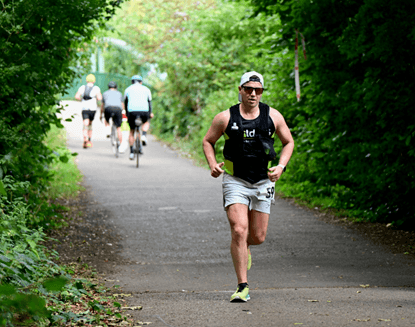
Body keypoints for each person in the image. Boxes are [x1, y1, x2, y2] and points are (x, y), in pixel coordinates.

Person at [202, 71, 294, 302]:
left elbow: (288, 142)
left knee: (258, 236)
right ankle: (242, 286)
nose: (253, 94)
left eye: (258, 90)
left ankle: (246, 247)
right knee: (239, 229)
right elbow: (208, 141)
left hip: (263, 181)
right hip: (235, 180)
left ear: (262, 92)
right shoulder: (225, 118)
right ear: (241, 90)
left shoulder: (273, 116)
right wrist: (213, 164)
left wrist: (281, 166)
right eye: (248, 89)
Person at [124, 75, 153, 160]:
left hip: (132, 112)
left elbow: (126, 103)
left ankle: (132, 152)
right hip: (144, 111)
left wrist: (127, 113)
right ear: (141, 82)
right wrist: (150, 113)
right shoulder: (147, 89)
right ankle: (143, 135)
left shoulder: (128, 89)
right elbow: (149, 103)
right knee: (146, 122)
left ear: (132, 82)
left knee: (132, 131)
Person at [75, 74, 102, 148]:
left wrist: (82, 99)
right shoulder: (96, 88)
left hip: (84, 108)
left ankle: (85, 139)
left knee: (85, 123)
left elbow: (77, 96)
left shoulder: (82, 87)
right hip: (93, 109)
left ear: (86, 80)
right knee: (90, 124)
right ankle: (89, 140)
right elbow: (99, 98)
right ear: (94, 81)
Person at [101, 81, 124, 153]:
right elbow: (122, 104)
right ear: (116, 87)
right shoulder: (119, 93)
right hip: (118, 109)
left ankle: (108, 130)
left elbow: (102, 105)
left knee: (106, 119)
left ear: (108, 87)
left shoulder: (105, 93)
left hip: (108, 109)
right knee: (119, 127)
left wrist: (101, 114)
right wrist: (122, 111)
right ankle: (120, 146)